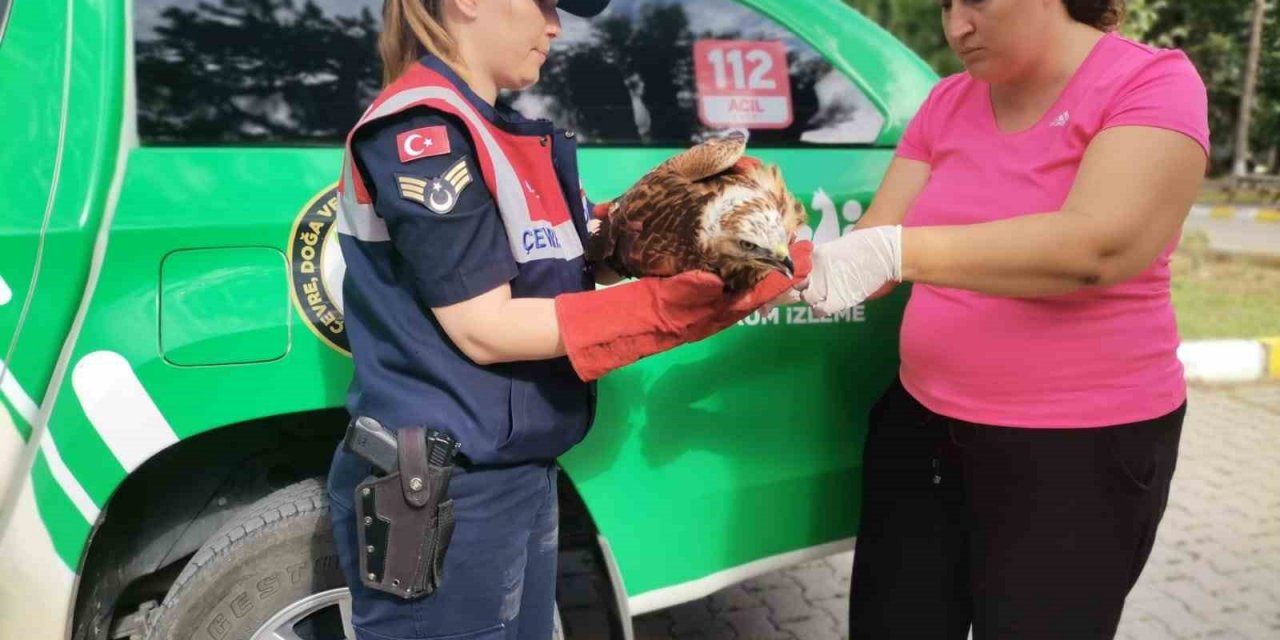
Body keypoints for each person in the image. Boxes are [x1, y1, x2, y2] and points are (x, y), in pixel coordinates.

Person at [325, 1, 809, 639]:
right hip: (446, 490)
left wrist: (687, 232)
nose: (556, 25)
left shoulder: (506, 131)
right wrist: (672, 308)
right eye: (545, 3)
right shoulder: (423, 131)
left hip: (520, 473)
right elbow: (485, 328)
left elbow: (577, 259)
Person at [791, 0, 1209, 637]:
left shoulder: (1150, 82)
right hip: (922, 423)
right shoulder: (947, 101)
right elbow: (873, 249)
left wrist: (894, 251)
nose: (956, 26)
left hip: (1078, 450)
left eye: (976, 1)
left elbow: (1097, 248)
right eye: (946, 5)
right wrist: (786, 268)